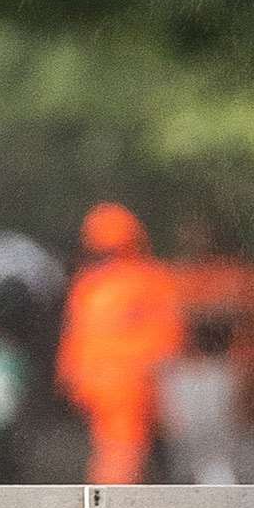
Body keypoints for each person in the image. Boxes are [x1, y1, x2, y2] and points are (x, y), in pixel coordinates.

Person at [56, 201, 187, 486]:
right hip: (127, 383)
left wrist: (73, 377)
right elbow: (169, 336)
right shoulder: (148, 279)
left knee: (119, 449)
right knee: (121, 450)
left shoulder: (91, 284)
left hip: (112, 382)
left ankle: (110, 506)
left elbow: (75, 339)